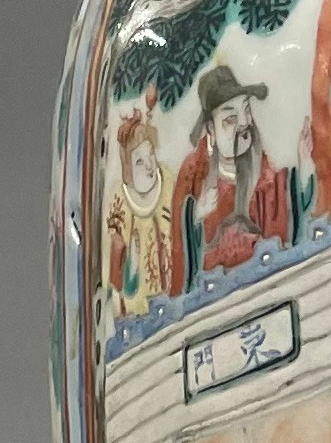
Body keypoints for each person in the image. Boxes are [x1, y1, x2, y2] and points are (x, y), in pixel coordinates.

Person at [166, 60, 291, 285]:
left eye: (246, 110)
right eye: (230, 119)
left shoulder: (264, 175)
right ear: (211, 130)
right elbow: (179, 253)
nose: (244, 124)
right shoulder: (193, 174)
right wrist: (195, 215)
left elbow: (279, 244)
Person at [100, 107, 175, 324]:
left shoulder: (168, 181)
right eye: (139, 161)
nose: (150, 165)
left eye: (151, 154)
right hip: (137, 313)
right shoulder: (119, 203)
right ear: (127, 168)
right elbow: (114, 270)